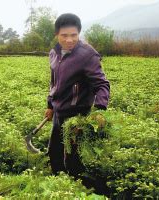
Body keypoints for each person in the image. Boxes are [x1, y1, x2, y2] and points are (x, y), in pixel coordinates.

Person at [45, 13, 110, 177]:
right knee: (55, 151)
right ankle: (58, 182)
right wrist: (50, 105)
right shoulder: (54, 53)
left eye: (73, 35)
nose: (69, 40)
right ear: (57, 35)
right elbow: (54, 82)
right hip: (59, 112)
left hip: (77, 114)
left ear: (79, 33)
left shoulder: (87, 55)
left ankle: (77, 185)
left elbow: (102, 84)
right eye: (64, 35)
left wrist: (100, 109)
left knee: (74, 156)